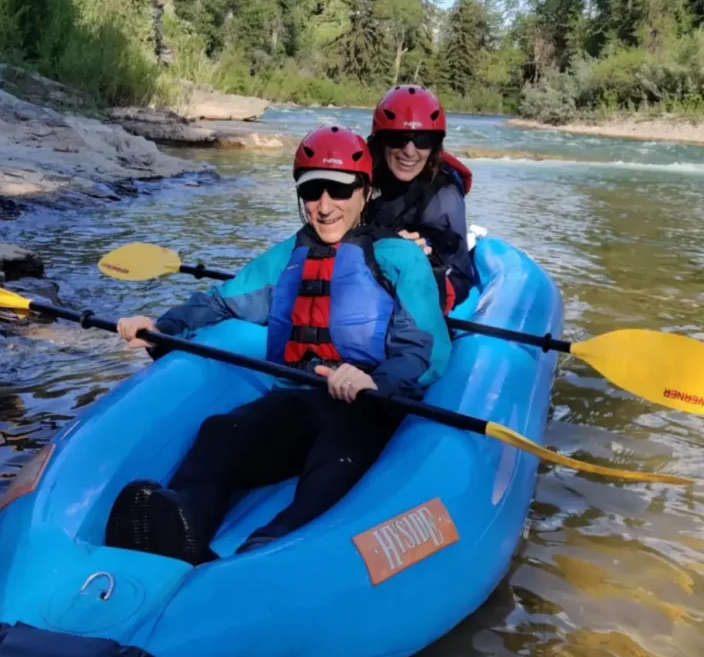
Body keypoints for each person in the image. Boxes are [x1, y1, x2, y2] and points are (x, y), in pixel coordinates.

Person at [105, 125, 451, 565]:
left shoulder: (397, 257)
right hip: (297, 397)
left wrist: (376, 380)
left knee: (337, 457)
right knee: (219, 432)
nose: (325, 207)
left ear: (365, 191)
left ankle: (267, 550)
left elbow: (427, 350)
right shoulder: (287, 256)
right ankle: (180, 523)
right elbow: (219, 303)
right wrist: (161, 328)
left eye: (339, 191)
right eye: (313, 192)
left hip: (366, 405)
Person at [365, 85, 474, 313]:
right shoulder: (363, 174)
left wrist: (417, 263)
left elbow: (460, 278)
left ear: (434, 146)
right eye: (398, 138)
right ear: (381, 141)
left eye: (422, 139)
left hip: (415, 285)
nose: (410, 151)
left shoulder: (443, 198)